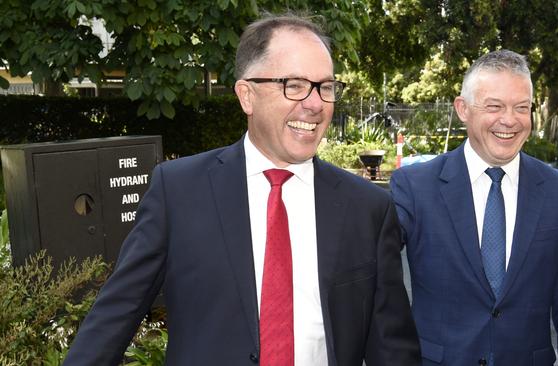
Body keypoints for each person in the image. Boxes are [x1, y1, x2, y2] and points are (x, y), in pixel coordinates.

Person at [64, 13, 420, 366]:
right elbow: (113, 319)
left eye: (325, 87)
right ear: (246, 96)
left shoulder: (368, 208)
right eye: (294, 84)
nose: (314, 103)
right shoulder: (178, 192)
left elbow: (392, 349)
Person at [390, 50, 558, 365]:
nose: (509, 120)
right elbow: (373, 282)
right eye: (494, 106)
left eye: (521, 107)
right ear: (463, 109)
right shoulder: (414, 187)